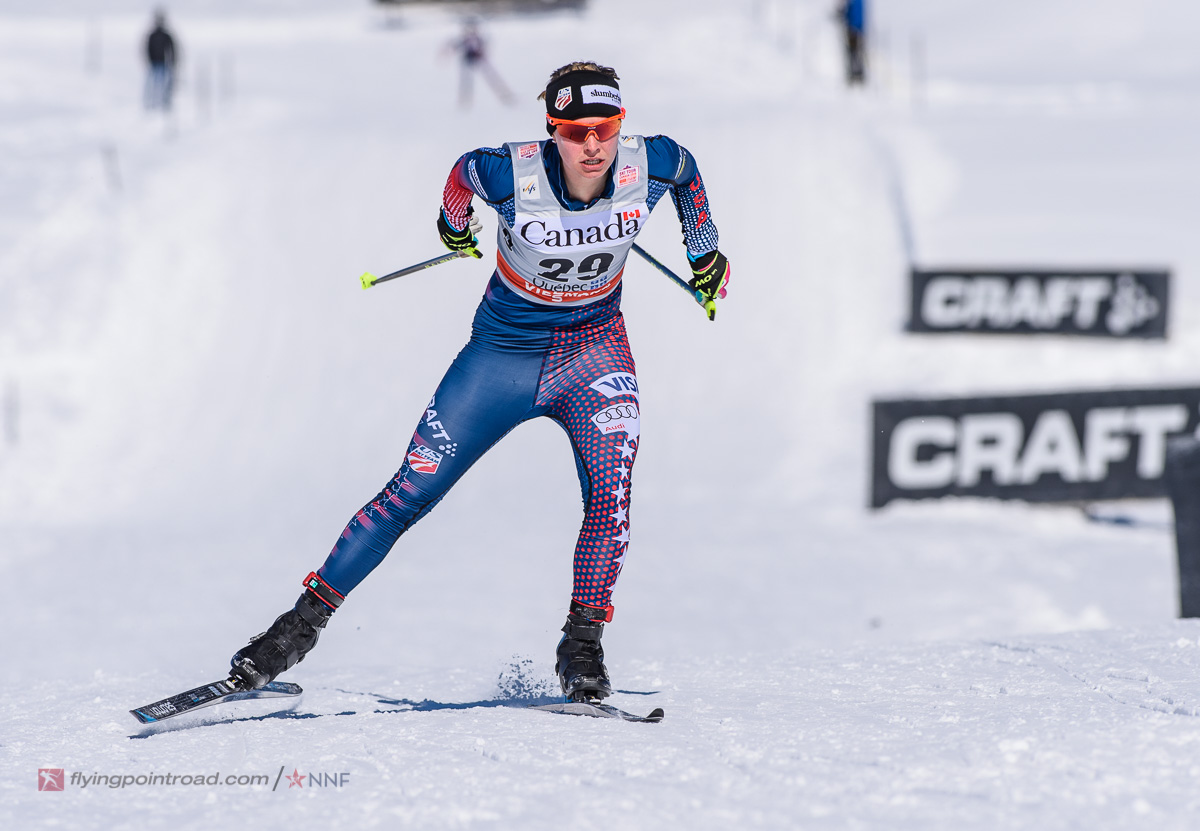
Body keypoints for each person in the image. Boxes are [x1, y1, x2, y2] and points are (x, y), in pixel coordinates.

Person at [229, 61, 731, 703]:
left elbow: (687, 172)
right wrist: (454, 224)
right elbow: (463, 173)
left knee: (612, 497)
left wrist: (703, 248)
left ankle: (582, 645)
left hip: (595, 354)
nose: (591, 145)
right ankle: (293, 632)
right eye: (574, 130)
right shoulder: (511, 172)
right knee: (410, 491)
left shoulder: (646, 163)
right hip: (502, 355)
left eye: (604, 128)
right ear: (552, 129)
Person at [445, 18, 513, 107]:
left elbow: (483, 46)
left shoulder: (477, 38)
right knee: (466, 81)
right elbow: (455, 46)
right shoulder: (465, 40)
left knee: (492, 77)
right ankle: (465, 100)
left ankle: (504, 94)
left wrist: (482, 53)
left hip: (479, 59)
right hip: (468, 60)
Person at [144, 9, 178, 110]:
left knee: (164, 84)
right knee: (153, 84)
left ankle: (164, 102)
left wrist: (172, 62)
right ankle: (152, 102)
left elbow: (172, 49)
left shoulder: (165, 35)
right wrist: (149, 60)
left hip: (163, 63)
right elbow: (148, 49)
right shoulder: (153, 35)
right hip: (155, 63)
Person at [836, 0, 867, 86]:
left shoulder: (853, 2)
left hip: (853, 29)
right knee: (856, 52)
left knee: (853, 52)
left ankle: (855, 75)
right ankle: (858, 75)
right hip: (859, 28)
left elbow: (847, 11)